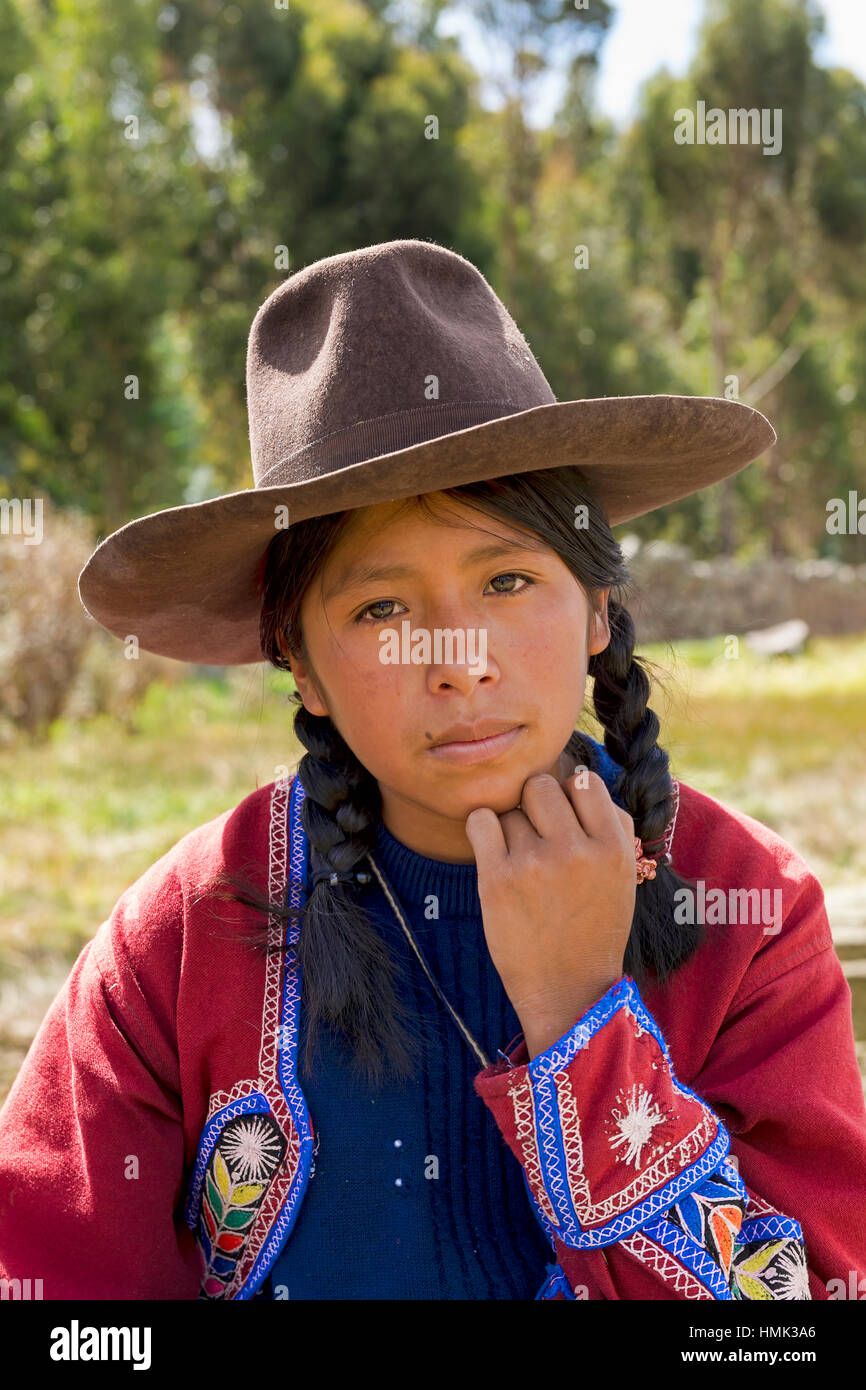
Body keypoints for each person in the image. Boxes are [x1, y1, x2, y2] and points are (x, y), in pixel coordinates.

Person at [0, 239, 863, 1301]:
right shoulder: (182, 939)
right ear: (300, 663)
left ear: (597, 608)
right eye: (381, 609)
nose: (457, 662)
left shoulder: (748, 915)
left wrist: (578, 1017)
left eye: (506, 578)